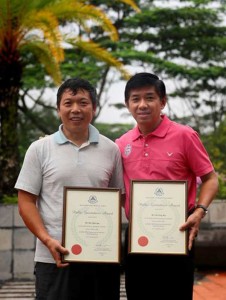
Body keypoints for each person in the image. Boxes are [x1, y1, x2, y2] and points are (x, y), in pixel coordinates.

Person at [15, 78, 125, 300]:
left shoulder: (111, 149)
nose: (76, 109)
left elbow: (117, 199)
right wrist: (47, 240)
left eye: (83, 102)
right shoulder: (39, 149)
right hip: (54, 257)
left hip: (101, 257)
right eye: (68, 103)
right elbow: (26, 202)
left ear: (94, 108)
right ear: (58, 109)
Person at [115, 72, 219, 300]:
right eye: (135, 99)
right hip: (138, 237)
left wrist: (200, 211)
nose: (142, 104)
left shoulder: (185, 135)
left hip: (178, 233)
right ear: (128, 104)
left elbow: (211, 178)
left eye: (149, 97)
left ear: (163, 101)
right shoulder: (121, 144)